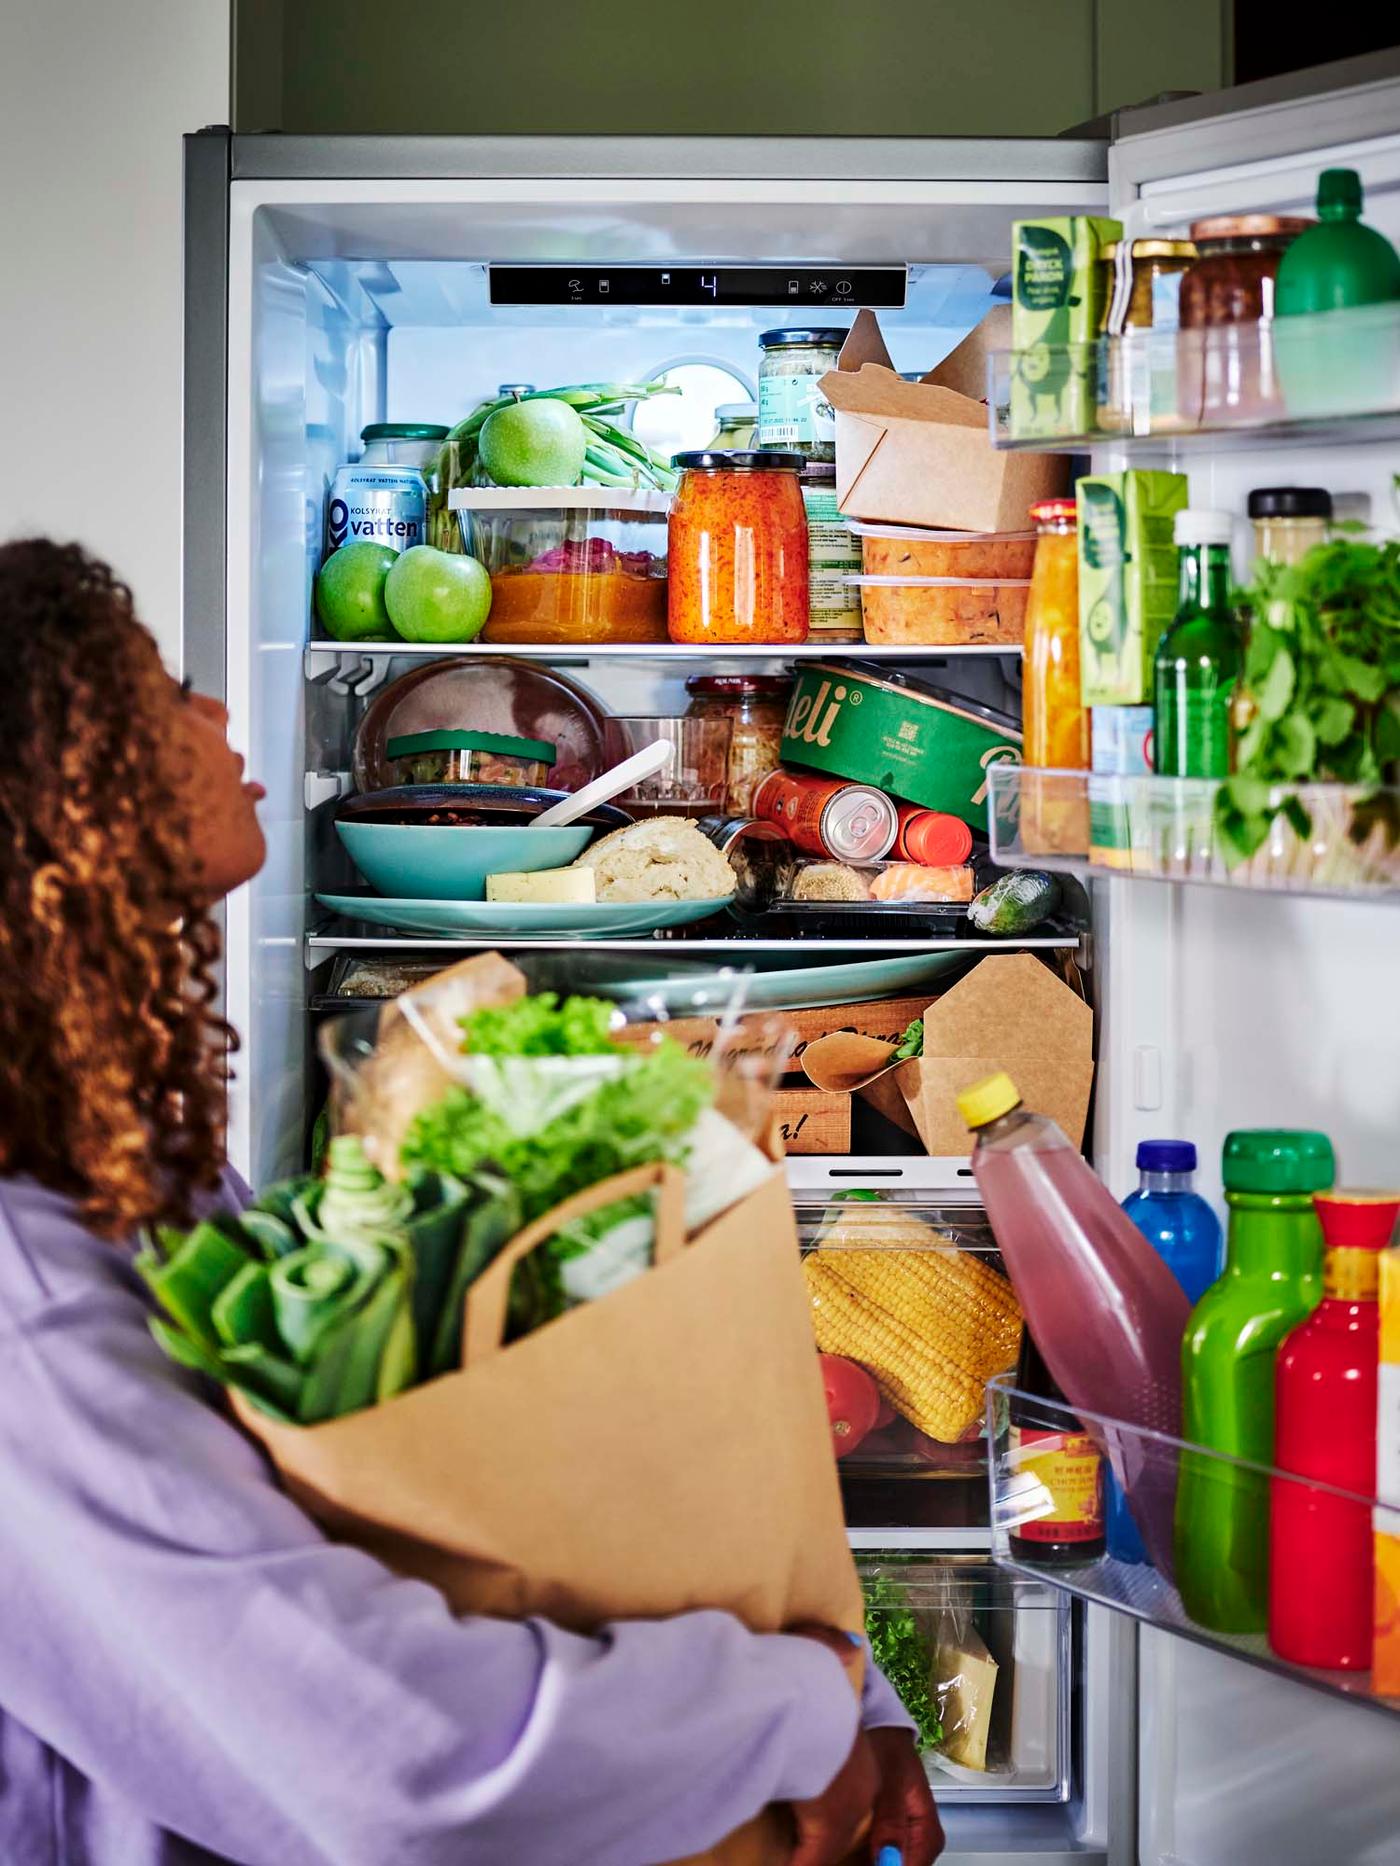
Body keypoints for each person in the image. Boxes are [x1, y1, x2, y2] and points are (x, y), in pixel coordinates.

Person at [0, 539, 944, 1866]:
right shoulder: (22, 1294)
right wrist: (794, 1714)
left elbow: (403, 1501)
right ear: (57, 795)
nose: (217, 715)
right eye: (163, 691)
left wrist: (849, 1685)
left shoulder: (110, 1157)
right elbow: (384, 1750)